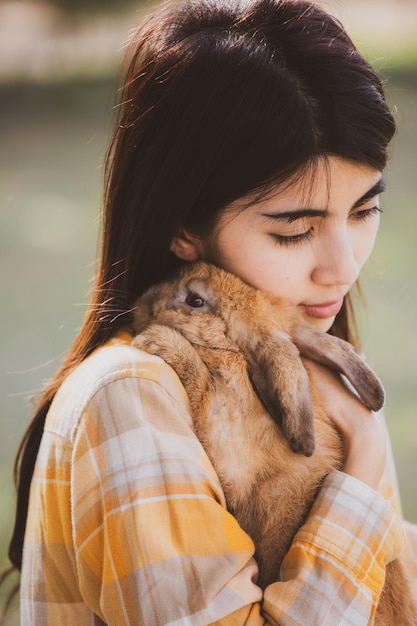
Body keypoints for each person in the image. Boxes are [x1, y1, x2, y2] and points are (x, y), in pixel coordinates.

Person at [2, 0, 417, 623]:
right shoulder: (131, 398)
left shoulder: (307, 359)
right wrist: (364, 459)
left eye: (363, 212)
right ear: (182, 227)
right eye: (294, 230)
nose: (343, 266)